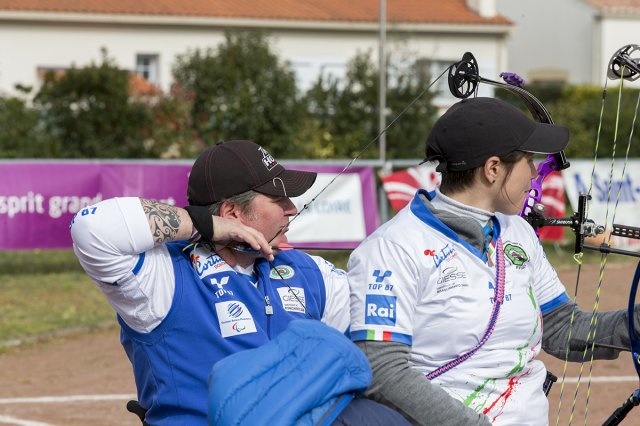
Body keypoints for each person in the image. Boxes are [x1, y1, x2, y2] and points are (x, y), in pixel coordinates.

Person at [347, 97, 640, 425]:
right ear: (493, 169)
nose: (534, 173)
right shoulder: (391, 248)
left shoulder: (517, 231)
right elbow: (382, 368)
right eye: (528, 161)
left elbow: (559, 327)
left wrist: (635, 325)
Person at [70, 140, 352, 425]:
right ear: (233, 214)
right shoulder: (165, 275)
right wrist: (209, 225)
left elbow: (375, 337)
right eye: (279, 200)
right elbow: (90, 228)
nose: (291, 209)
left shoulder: (308, 271)